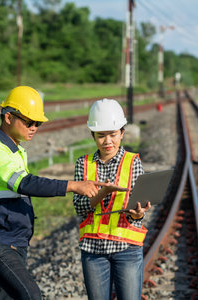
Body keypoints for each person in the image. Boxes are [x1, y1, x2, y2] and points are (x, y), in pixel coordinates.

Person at [0, 86, 124, 300]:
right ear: (8, 117)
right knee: (31, 296)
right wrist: (73, 185)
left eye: (38, 123)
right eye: (29, 122)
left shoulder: (14, 150)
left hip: (13, 240)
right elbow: (25, 184)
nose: (34, 128)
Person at [73, 98, 151, 300]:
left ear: (122, 133)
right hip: (93, 250)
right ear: (93, 135)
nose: (108, 141)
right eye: (101, 136)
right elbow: (79, 208)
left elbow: (137, 212)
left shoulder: (133, 162)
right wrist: (102, 194)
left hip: (127, 249)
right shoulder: (83, 164)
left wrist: (138, 214)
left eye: (113, 135)